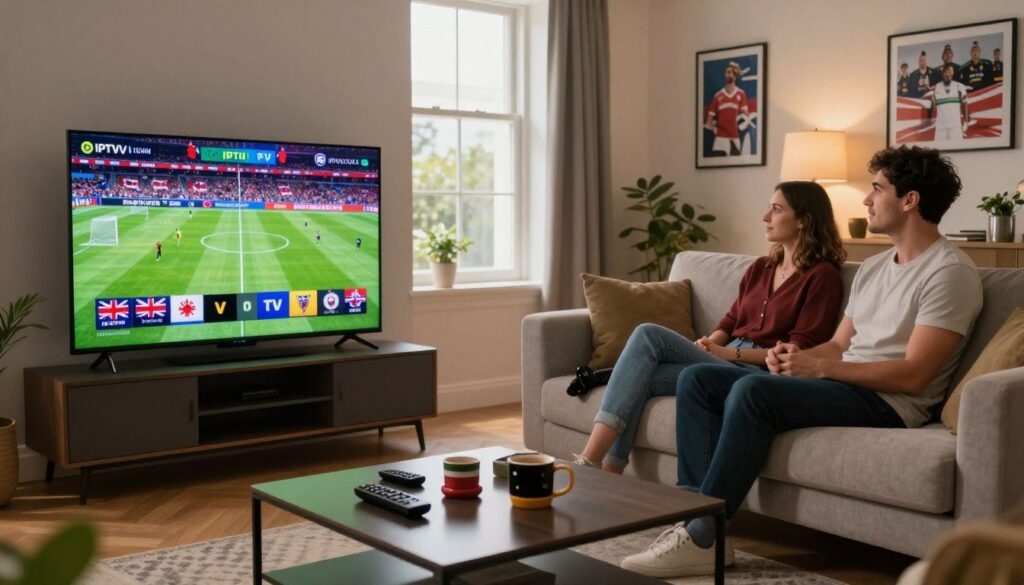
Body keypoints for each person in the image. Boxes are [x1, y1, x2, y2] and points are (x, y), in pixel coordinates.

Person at [620, 145, 983, 579]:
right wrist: (794, 356)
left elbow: (915, 375)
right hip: (846, 383)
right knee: (699, 379)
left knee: (752, 390)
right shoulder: (873, 268)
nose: (867, 199)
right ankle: (695, 521)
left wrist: (822, 368)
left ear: (910, 200)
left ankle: (702, 534)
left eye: (877, 189)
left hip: (890, 402)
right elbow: (837, 344)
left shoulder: (949, 273)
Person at [573, 181, 846, 476]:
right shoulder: (761, 267)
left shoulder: (822, 276)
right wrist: (709, 342)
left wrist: (727, 354)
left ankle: (589, 462)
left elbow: (800, 350)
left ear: (803, 220)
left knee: (647, 333)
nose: (765, 216)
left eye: (776, 209)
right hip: (724, 357)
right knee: (642, 377)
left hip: (759, 375)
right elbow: (730, 322)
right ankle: (611, 472)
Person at [704, 61, 750, 157]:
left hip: (735, 139)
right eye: (726, 72)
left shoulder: (741, 94)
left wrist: (739, 127)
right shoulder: (718, 96)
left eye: (729, 72)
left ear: (735, 74)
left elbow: (746, 117)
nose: (727, 74)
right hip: (720, 140)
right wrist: (713, 128)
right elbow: (709, 121)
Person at [928, 64, 971, 141]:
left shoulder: (959, 87)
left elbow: (965, 105)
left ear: (952, 74)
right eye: (945, 72)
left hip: (955, 128)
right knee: (938, 151)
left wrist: (966, 122)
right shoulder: (935, 88)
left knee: (957, 151)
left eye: (949, 72)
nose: (947, 75)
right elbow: (932, 108)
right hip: (941, 128)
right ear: (942, 74)